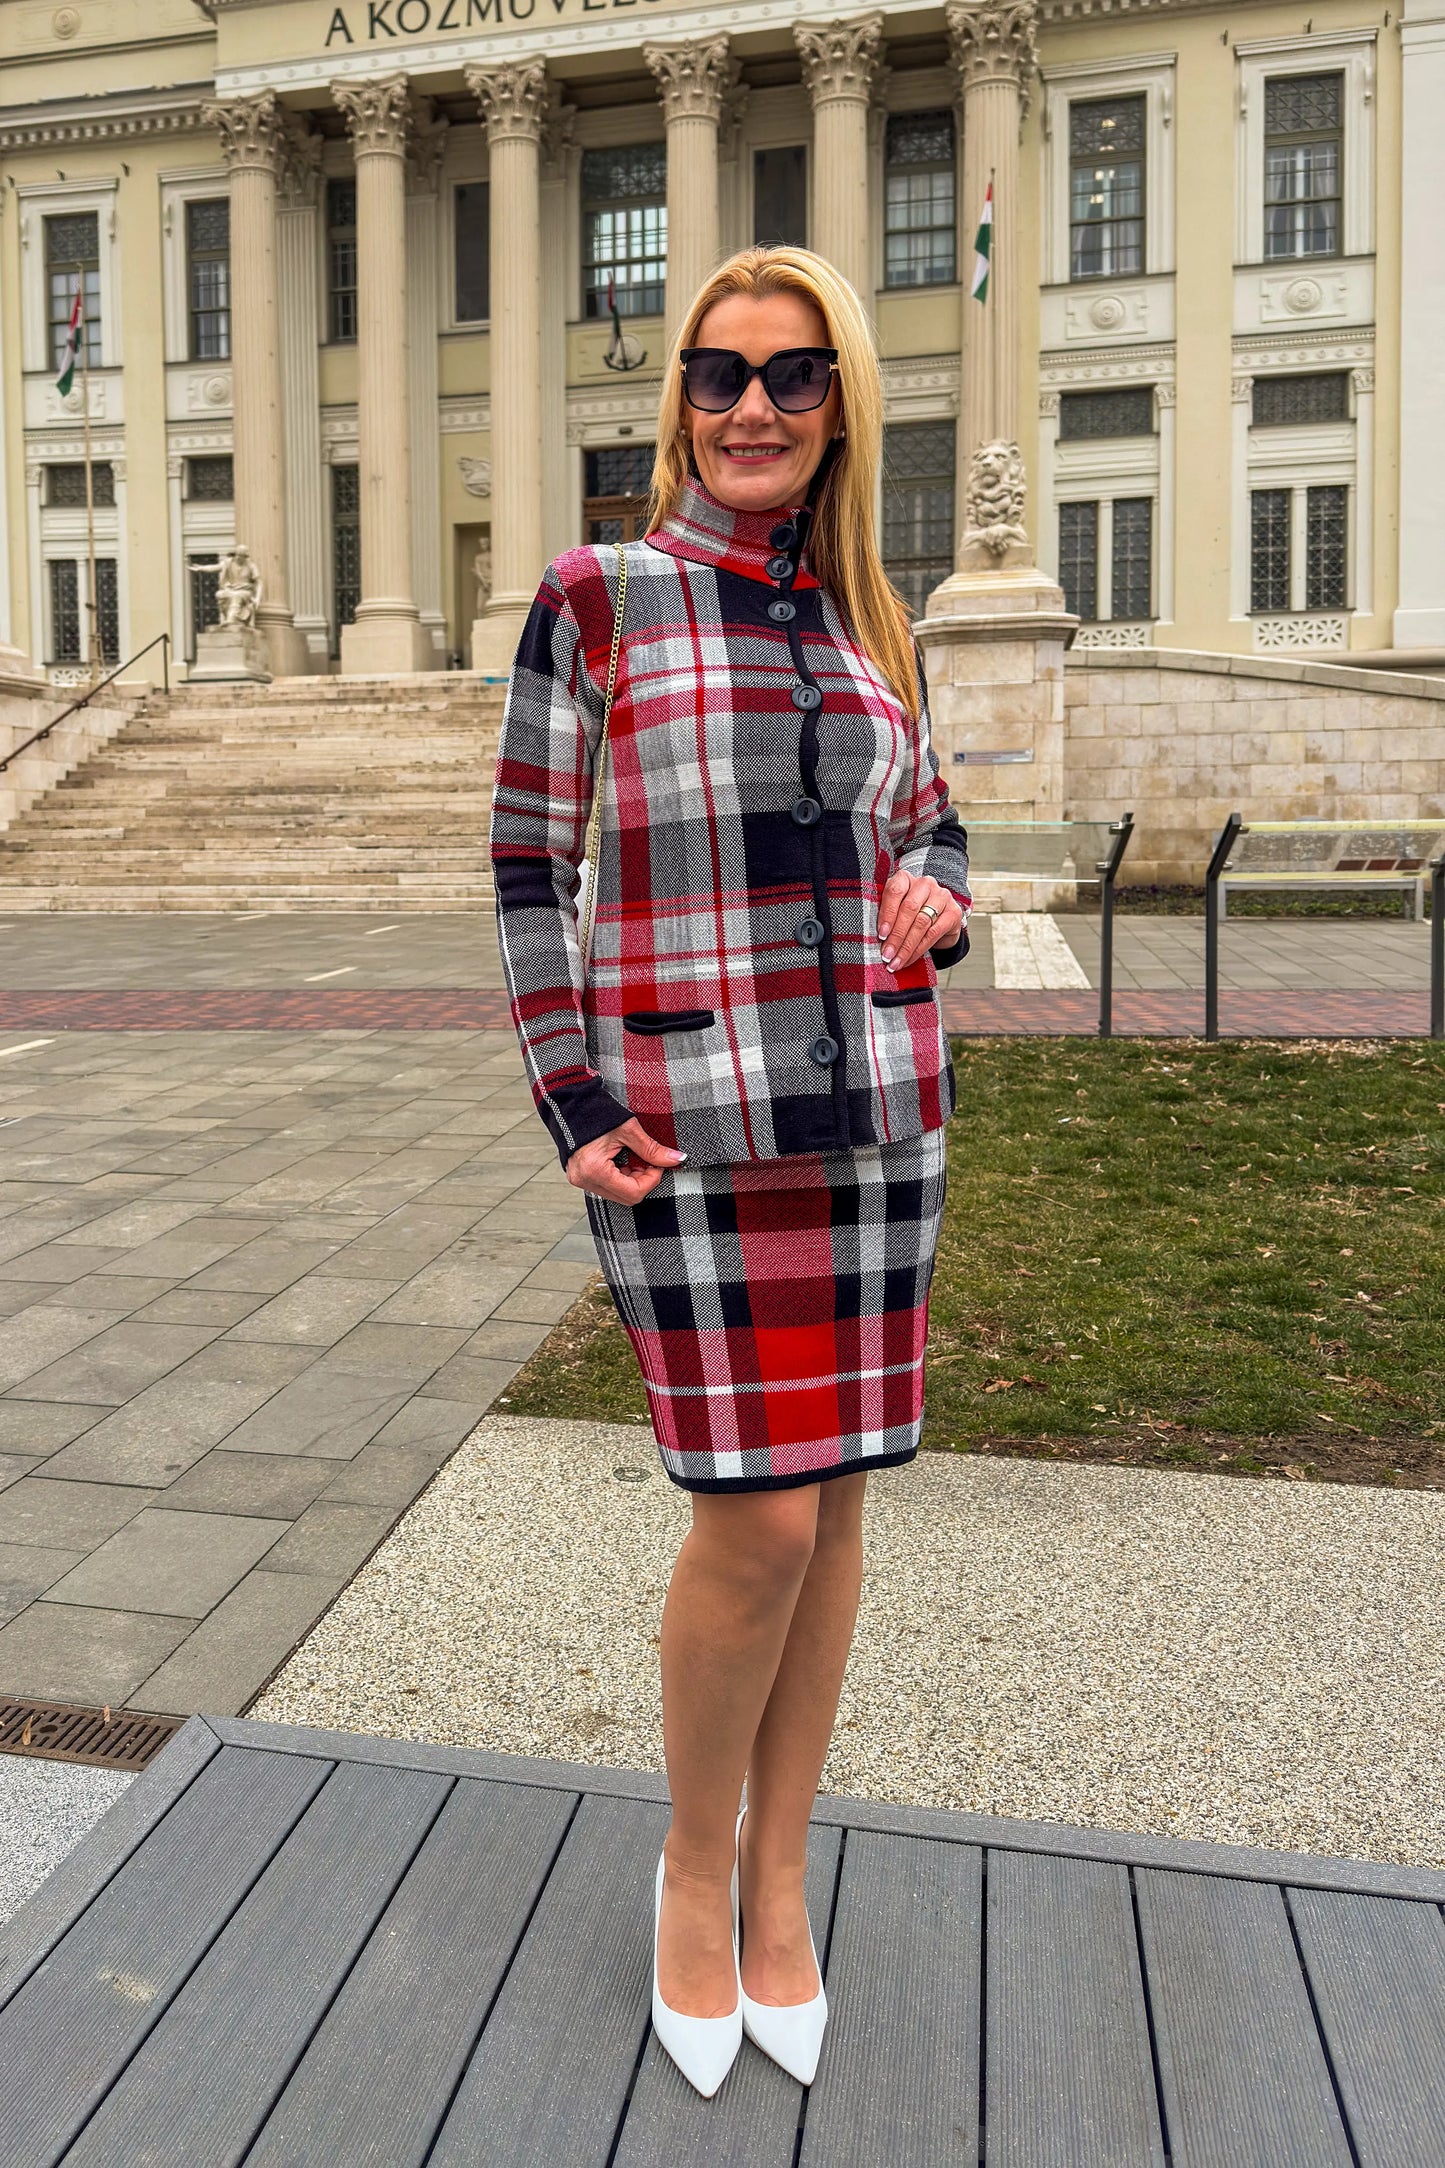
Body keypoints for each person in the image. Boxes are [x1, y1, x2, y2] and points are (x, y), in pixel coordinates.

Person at [490, 246, 970, 2098]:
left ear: (840, 400)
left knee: (836, 1508)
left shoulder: (878, 619)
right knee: (753, 1516)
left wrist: (941, 894)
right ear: (674, 401)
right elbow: (532, 868)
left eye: (787, 376)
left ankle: (785, 1877)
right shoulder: (597, 598)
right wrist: (565, 1090)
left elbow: (922, 819)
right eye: (715, 375)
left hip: (873, 1119)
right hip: (688, 1125)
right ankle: (695, 1862)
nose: (750, 406)